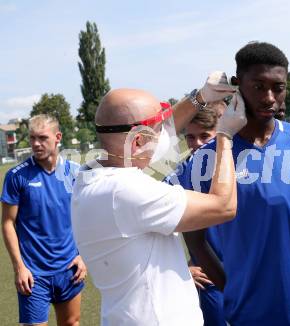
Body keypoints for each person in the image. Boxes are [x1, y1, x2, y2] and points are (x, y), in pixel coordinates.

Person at [182, 42, 290, 325]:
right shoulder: (208, 159)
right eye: (258, 86)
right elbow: (195, 238)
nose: (269, 97)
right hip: (251, 310)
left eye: (278, 87)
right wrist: (230, 287)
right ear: (237, 85)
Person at [71, 72, 247, 325]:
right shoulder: (126, 190)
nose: (164, 134)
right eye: (156, 129)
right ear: (139, 141)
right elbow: (223, 207)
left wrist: (202, 97)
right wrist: (225, 136)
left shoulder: (92, 173)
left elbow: (164, 130)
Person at [1, 114, 87, 325]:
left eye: (42, 138)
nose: (36, 144)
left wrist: (83, 255)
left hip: (69, 270)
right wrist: (19, 267)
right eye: (32, 138)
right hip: (34, 274)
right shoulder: (16, 176)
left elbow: (85, 217)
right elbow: (7, 223)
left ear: (58, 137)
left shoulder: (75, 173)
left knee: (71, 323)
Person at [166, 105, 226, 326]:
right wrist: (182, 268)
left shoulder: (242, 167)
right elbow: (149, 223)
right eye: (190, 137)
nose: (197, 144)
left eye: (205, 136)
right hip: (208, 279)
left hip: (250, 274)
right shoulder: (180, 175)